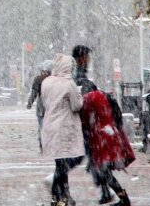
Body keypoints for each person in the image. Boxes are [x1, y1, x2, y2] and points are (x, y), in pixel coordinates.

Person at [80, 80, 134, 206]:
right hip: (109, 136)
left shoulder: (90, 98)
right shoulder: (104, 96)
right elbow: (117, 115)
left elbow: (85, 121)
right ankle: (107, 194)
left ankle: (124, 199)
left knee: (104, 172)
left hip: (100, 140)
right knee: (102, 170)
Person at [41, 54, 84, 206]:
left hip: (49, 125)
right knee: (69, 162)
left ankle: (62, 197)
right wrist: (80, 96)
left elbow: (45, 102)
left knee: (60, 163)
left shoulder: (46, 82)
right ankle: (58, 194)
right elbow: (76, 105)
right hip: (64, 127)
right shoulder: (68, 83)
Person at [26, 60, 53, 153]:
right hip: (52, 107)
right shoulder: (55, 79)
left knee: (42, 127)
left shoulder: (38, 79)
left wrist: (29, 103)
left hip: (41, 107)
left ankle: (43, 146)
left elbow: (34, 93)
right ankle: (49, 145)